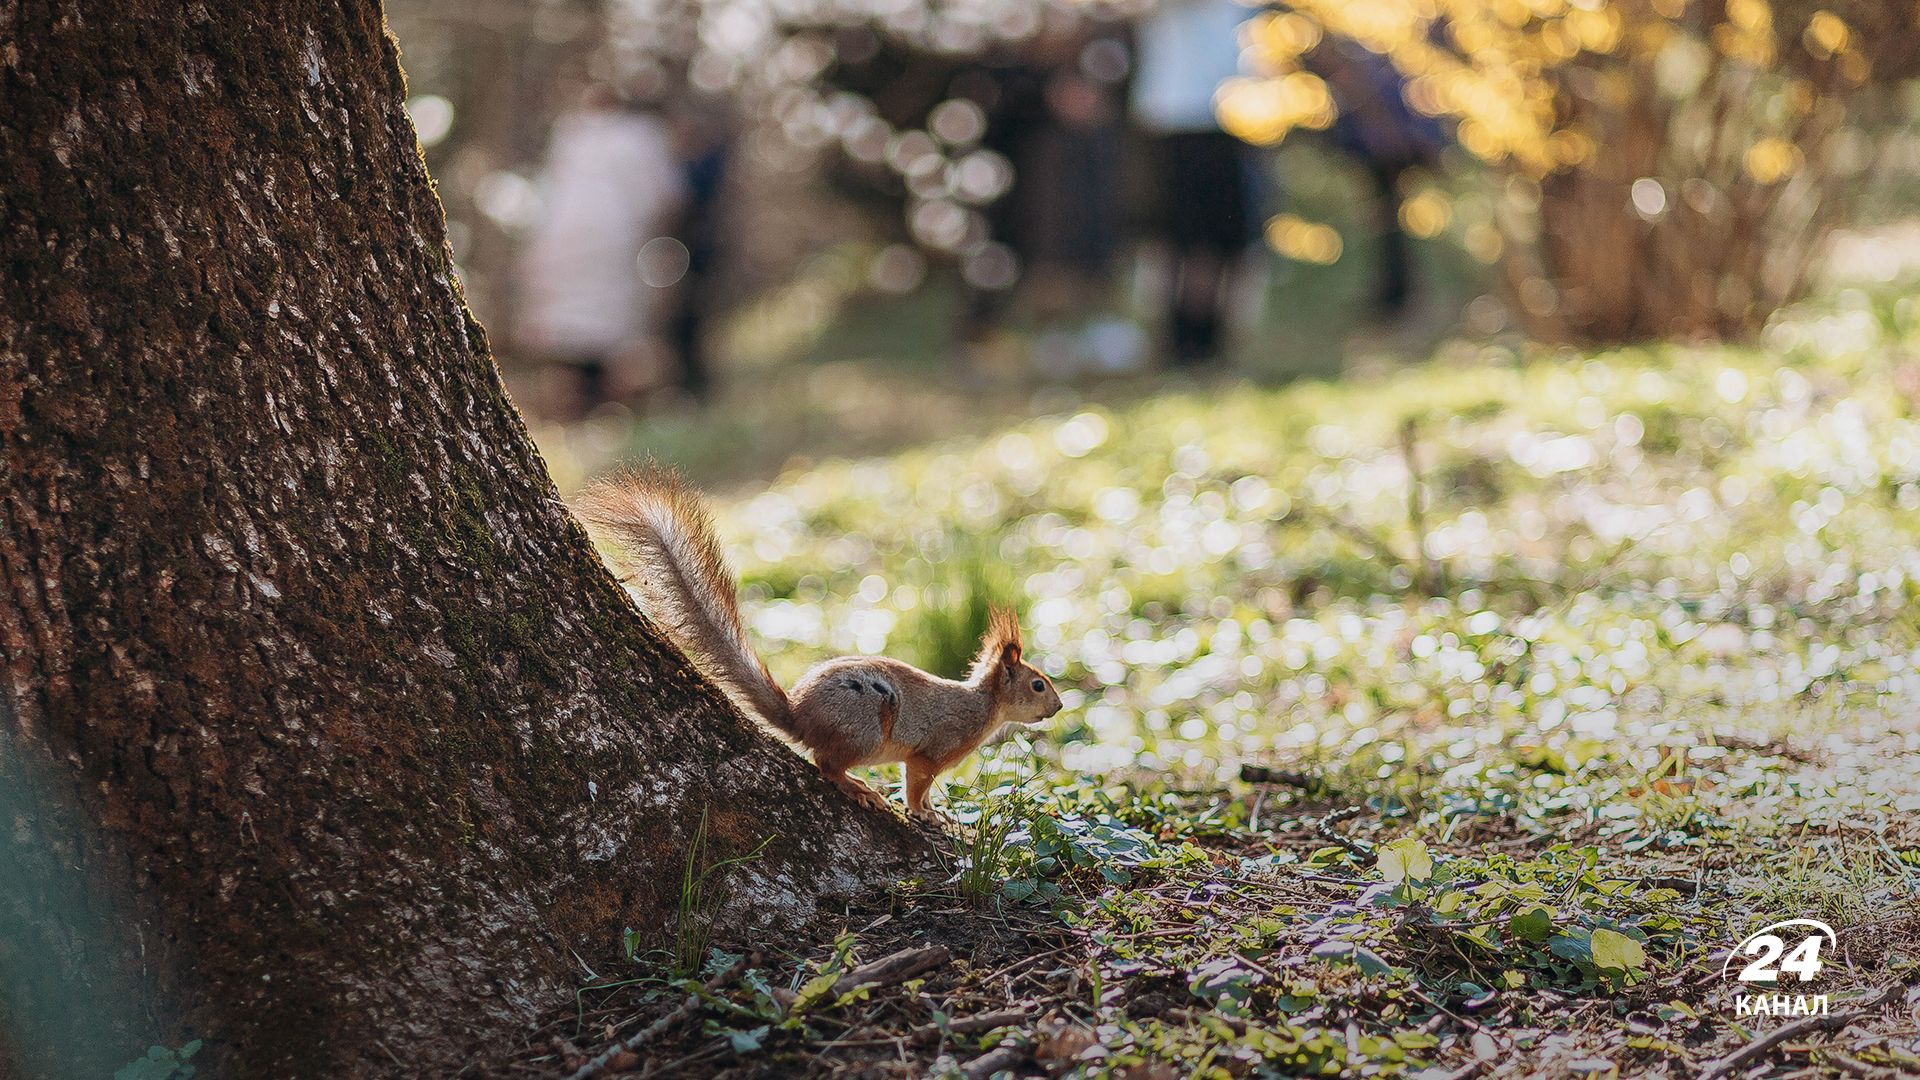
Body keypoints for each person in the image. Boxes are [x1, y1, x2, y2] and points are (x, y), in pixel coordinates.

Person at [516, 85, 684, 417]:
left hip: (566, 240)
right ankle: (597, 408)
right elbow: (665, 198)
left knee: (583, 334)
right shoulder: (636, 136)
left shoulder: (574, 133)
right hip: (611, 241)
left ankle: (592, 407)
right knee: (604, 335)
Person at [1129, 0, 1258, 366]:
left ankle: (1207, 336)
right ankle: (1181, 337)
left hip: (1236, 117)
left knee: (1222, 239)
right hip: (1179, 118)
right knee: (1182, 238)